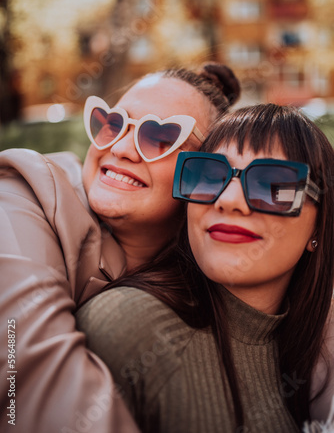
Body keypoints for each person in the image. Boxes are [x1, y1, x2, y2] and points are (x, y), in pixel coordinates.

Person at [0, 63, 240, 433]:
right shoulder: (25, 194)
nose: (122, 148)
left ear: (203, 176)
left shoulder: (211, 272)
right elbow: (24, 375)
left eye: (161, 137)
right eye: (113, 124)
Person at [76, 103, 334, 433]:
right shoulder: (128, 324)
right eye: (209, 176)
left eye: (272, 186)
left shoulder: (314, 360)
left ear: (318, 229)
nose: (228, 200)